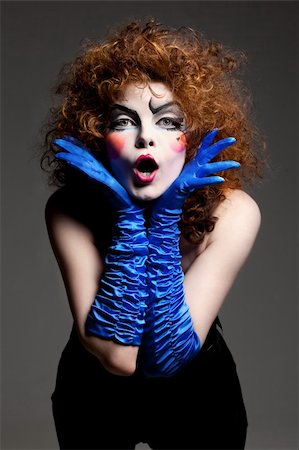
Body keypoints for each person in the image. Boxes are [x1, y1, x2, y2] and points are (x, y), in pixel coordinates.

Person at [41, 19, 264, 450]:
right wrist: (128, 217)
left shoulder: (234, 211)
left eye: (168, 122)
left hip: (199, 391)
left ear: (195, 136)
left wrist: (164, 218)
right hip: (93, 388)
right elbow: (119, 359)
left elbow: (168, 358)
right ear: (98, 138)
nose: (146, 137)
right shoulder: (69, 209)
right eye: (124, 122)